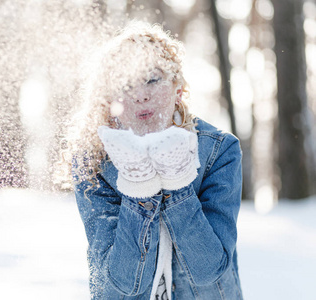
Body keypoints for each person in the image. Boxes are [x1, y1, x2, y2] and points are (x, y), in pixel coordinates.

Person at [66, 21, 243, 299]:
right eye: (126, 84)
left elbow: (209, 271)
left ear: (178, 88)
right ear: (110, 98)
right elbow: (117, 287)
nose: (140, 95)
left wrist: (178, 183)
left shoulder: (218, 152)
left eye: (152, 79)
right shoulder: (92, 162)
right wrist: (138, 189)